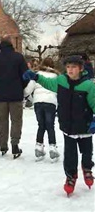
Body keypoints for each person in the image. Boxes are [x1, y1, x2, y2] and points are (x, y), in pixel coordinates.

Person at [23, 55, 95, 196]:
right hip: (68, 125)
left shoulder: (88, 85)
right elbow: (49, 83)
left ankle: (87, 169)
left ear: (80, 68)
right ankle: (70, 176)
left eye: (73, 67)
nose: (70, 70)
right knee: (70, 155)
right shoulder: (61, 81)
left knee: (86, 151)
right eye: (68, 67)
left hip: (85, 125)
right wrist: (36, 77)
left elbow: (94, 103)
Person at [0, 35, 28, 158]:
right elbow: (25, 76)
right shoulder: (18, 57)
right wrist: (21, 86)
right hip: (15, 93)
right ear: (11, 44)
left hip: (1, 94)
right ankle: (15, 144)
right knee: (16, 120)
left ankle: (3, 145)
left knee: (3, 120)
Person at [24, 58, 60, 161]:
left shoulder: (37, 75)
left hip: (38, 102)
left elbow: (27, 90)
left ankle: (39, 146)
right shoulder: (56, 76)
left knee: (41, 125)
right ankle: (52, 147)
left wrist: (26, 96)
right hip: (51, 102)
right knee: (50, 125)